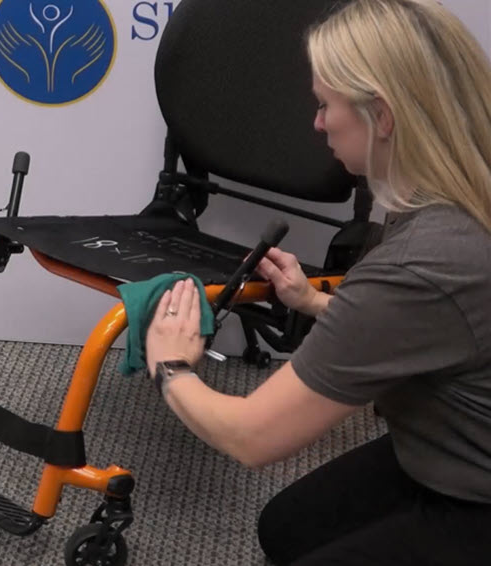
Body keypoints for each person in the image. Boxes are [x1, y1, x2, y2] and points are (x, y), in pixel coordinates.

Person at [143, 0, 491, 564]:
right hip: (446, 442)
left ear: (382, 116)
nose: (318, 123)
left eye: (326, 104)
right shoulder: (453, 197)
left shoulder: (424, 260)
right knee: (285, 530)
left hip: (474, 492)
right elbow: (438, 324)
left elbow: (251, 437)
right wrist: (316, 303)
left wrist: (170, 366)